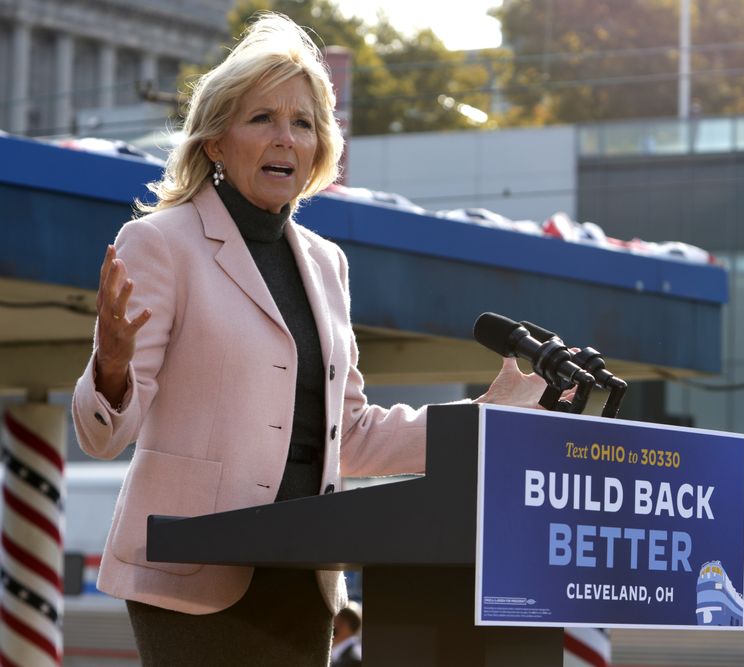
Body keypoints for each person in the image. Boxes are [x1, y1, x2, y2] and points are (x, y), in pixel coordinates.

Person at [71, 13, 548, 666]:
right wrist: (113, 369)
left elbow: (349, 434)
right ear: (215, 140)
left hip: (304, 577)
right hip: (192, 577)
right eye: (262, 118)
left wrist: (482, 421)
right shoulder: (160, 243)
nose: (286, 138)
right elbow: (103, 435)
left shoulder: (327, 263)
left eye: (303, 122)